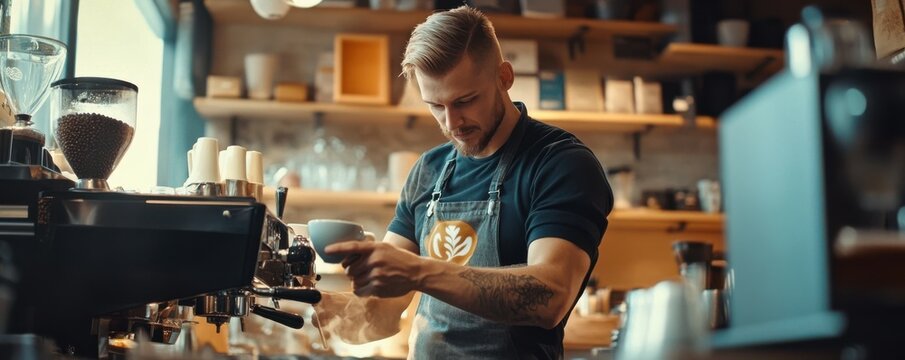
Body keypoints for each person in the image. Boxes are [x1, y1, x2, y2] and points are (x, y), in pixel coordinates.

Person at [315, 5, 613, 359]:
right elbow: (380, 314)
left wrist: (418, 271)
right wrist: (307, 304)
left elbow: (550, 297)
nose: (452, 122)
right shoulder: (428, 169)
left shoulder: (560, 164)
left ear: (504, 77)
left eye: (465, 101)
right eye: (435, 106)